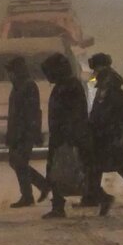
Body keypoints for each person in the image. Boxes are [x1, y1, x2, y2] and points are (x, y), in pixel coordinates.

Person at [40, 52, 90, 219]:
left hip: (65, 136)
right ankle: (60, 204)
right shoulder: (66, 85)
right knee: (59, 171)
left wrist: (68, 137)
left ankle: (59, 206)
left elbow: (74, 114)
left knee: (61, 172)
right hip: (61, 135)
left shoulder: (69, 87)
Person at [84, 53, 123, 217]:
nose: (94, 74)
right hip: (105, 135)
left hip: (108, 137)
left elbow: (114, 112)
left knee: (119, 168)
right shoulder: (107, 83)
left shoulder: (109, 87)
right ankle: (93, 197)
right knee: (96, 168)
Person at [5, 57, 51, 208]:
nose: (9, 75)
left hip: (24, 132)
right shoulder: (18, 86)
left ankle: (29, 194)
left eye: (10, 72)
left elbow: (32, 112)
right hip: (18, 131)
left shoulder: (27, 86)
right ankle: (39, 187)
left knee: (19, 162)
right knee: (17, 162)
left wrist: (33, 131)